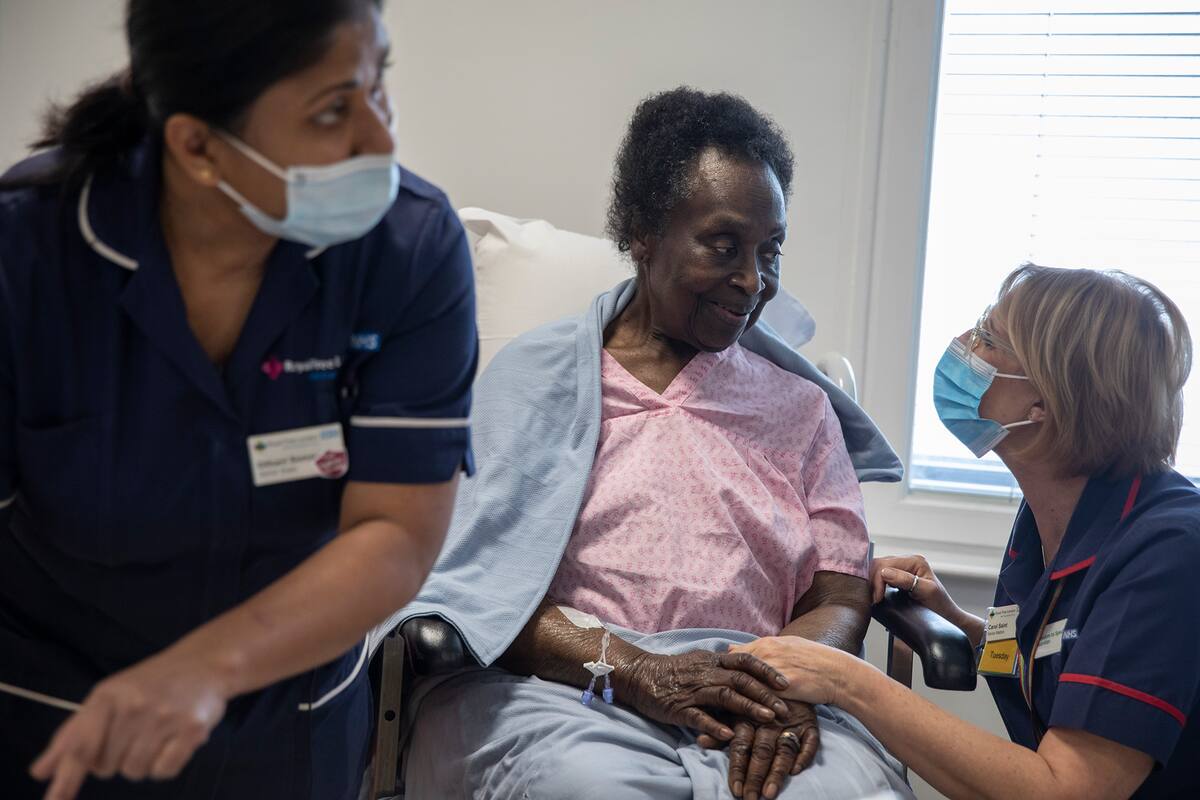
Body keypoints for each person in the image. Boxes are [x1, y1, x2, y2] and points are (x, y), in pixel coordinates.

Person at [0, 2, 477, 799]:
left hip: (292, 735)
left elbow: (395, 530)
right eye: (332, 110)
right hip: (57, 729)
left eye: (377, 84)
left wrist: (206, 668)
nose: (383, 140)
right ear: (197, 146)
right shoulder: (28, 253)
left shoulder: (410, 251)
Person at [396, 87, 912, 800]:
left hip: (763, 688)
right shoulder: (531, 385)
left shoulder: (799, 408)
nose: (751, 280)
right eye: (723, 246)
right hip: (570, 686)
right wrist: (638, 671)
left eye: (771, 252)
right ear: (643, 232)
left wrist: (787, 684)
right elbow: (481, 587)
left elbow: (840, 593)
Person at [737, 265, 1200, 798]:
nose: (962, 346)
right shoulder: (1052, 516)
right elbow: (1065, 659)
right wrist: (957, 619)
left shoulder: (1165, 554)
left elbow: (1067, 790)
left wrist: (846, 680)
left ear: (1043, 403)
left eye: (988, 340)